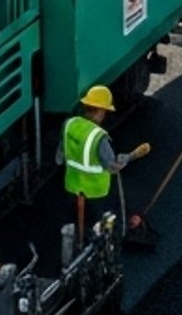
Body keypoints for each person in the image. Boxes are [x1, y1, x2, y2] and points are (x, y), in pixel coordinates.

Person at [62, 85, 148, 236]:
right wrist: (129, 157)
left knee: (75, 222)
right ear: (100, 111)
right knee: (101, 224)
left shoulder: (70, 124)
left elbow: (59, 156)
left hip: (72, 187)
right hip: (95, 193)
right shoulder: (98, 137)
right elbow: (113, 167)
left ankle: (74, 244)